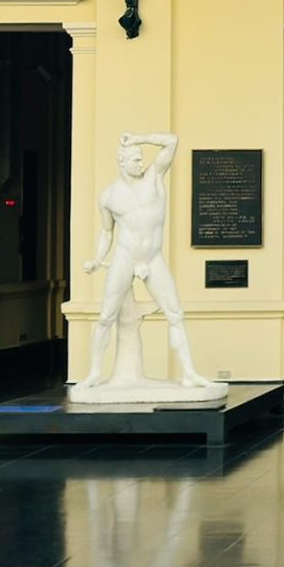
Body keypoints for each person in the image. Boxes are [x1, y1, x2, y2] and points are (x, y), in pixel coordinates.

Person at [77, 132, 213, 389]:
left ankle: (189, 373)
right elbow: (107, 232)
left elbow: (172, 141)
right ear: (122, 162)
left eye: (141, 158)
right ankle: (94, 373)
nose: (141, 163)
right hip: (125, 255)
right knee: (106, 315)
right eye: (136, 159)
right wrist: (98, 258)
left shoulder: (154, 178)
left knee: (175, 313)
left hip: (152, 257)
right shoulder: (108, 196)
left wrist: (139, 137)